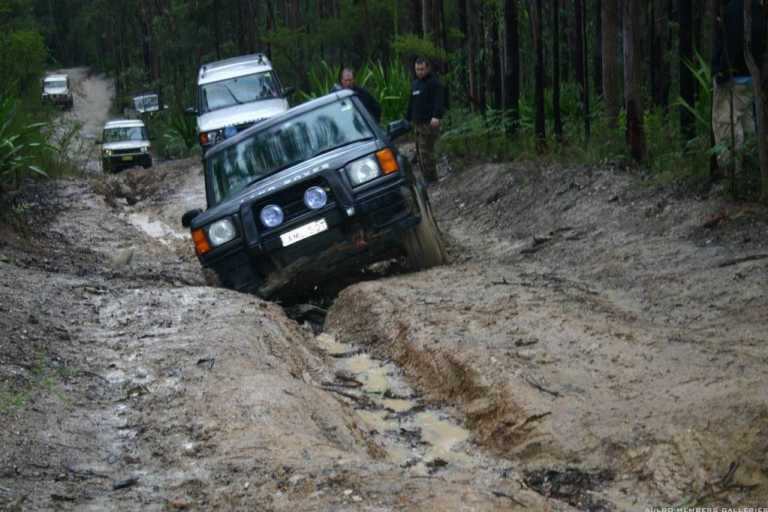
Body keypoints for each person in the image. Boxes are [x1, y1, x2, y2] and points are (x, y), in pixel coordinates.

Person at [711, 0, 767, 173]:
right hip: (751, 79)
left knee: (726, 124)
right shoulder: (758, 9)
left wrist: (721, 71)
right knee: (747, 123)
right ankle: (749, 172)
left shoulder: (735, 9)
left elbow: (733, 40)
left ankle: (734, 175)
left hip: (733, 78)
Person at [405, 57, 445, 184]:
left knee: (426, 152)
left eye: (422, 69)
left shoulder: (434, 83)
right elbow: (411, 104)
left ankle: (432, 179)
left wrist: (437, 116)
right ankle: (427, 178)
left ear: (427, 68)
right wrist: (407, 119)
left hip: (429, 124)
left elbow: (439, 101)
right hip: (417, 124)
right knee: (419, 154)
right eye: (417, 69)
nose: (420, 72)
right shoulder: (415, 84)